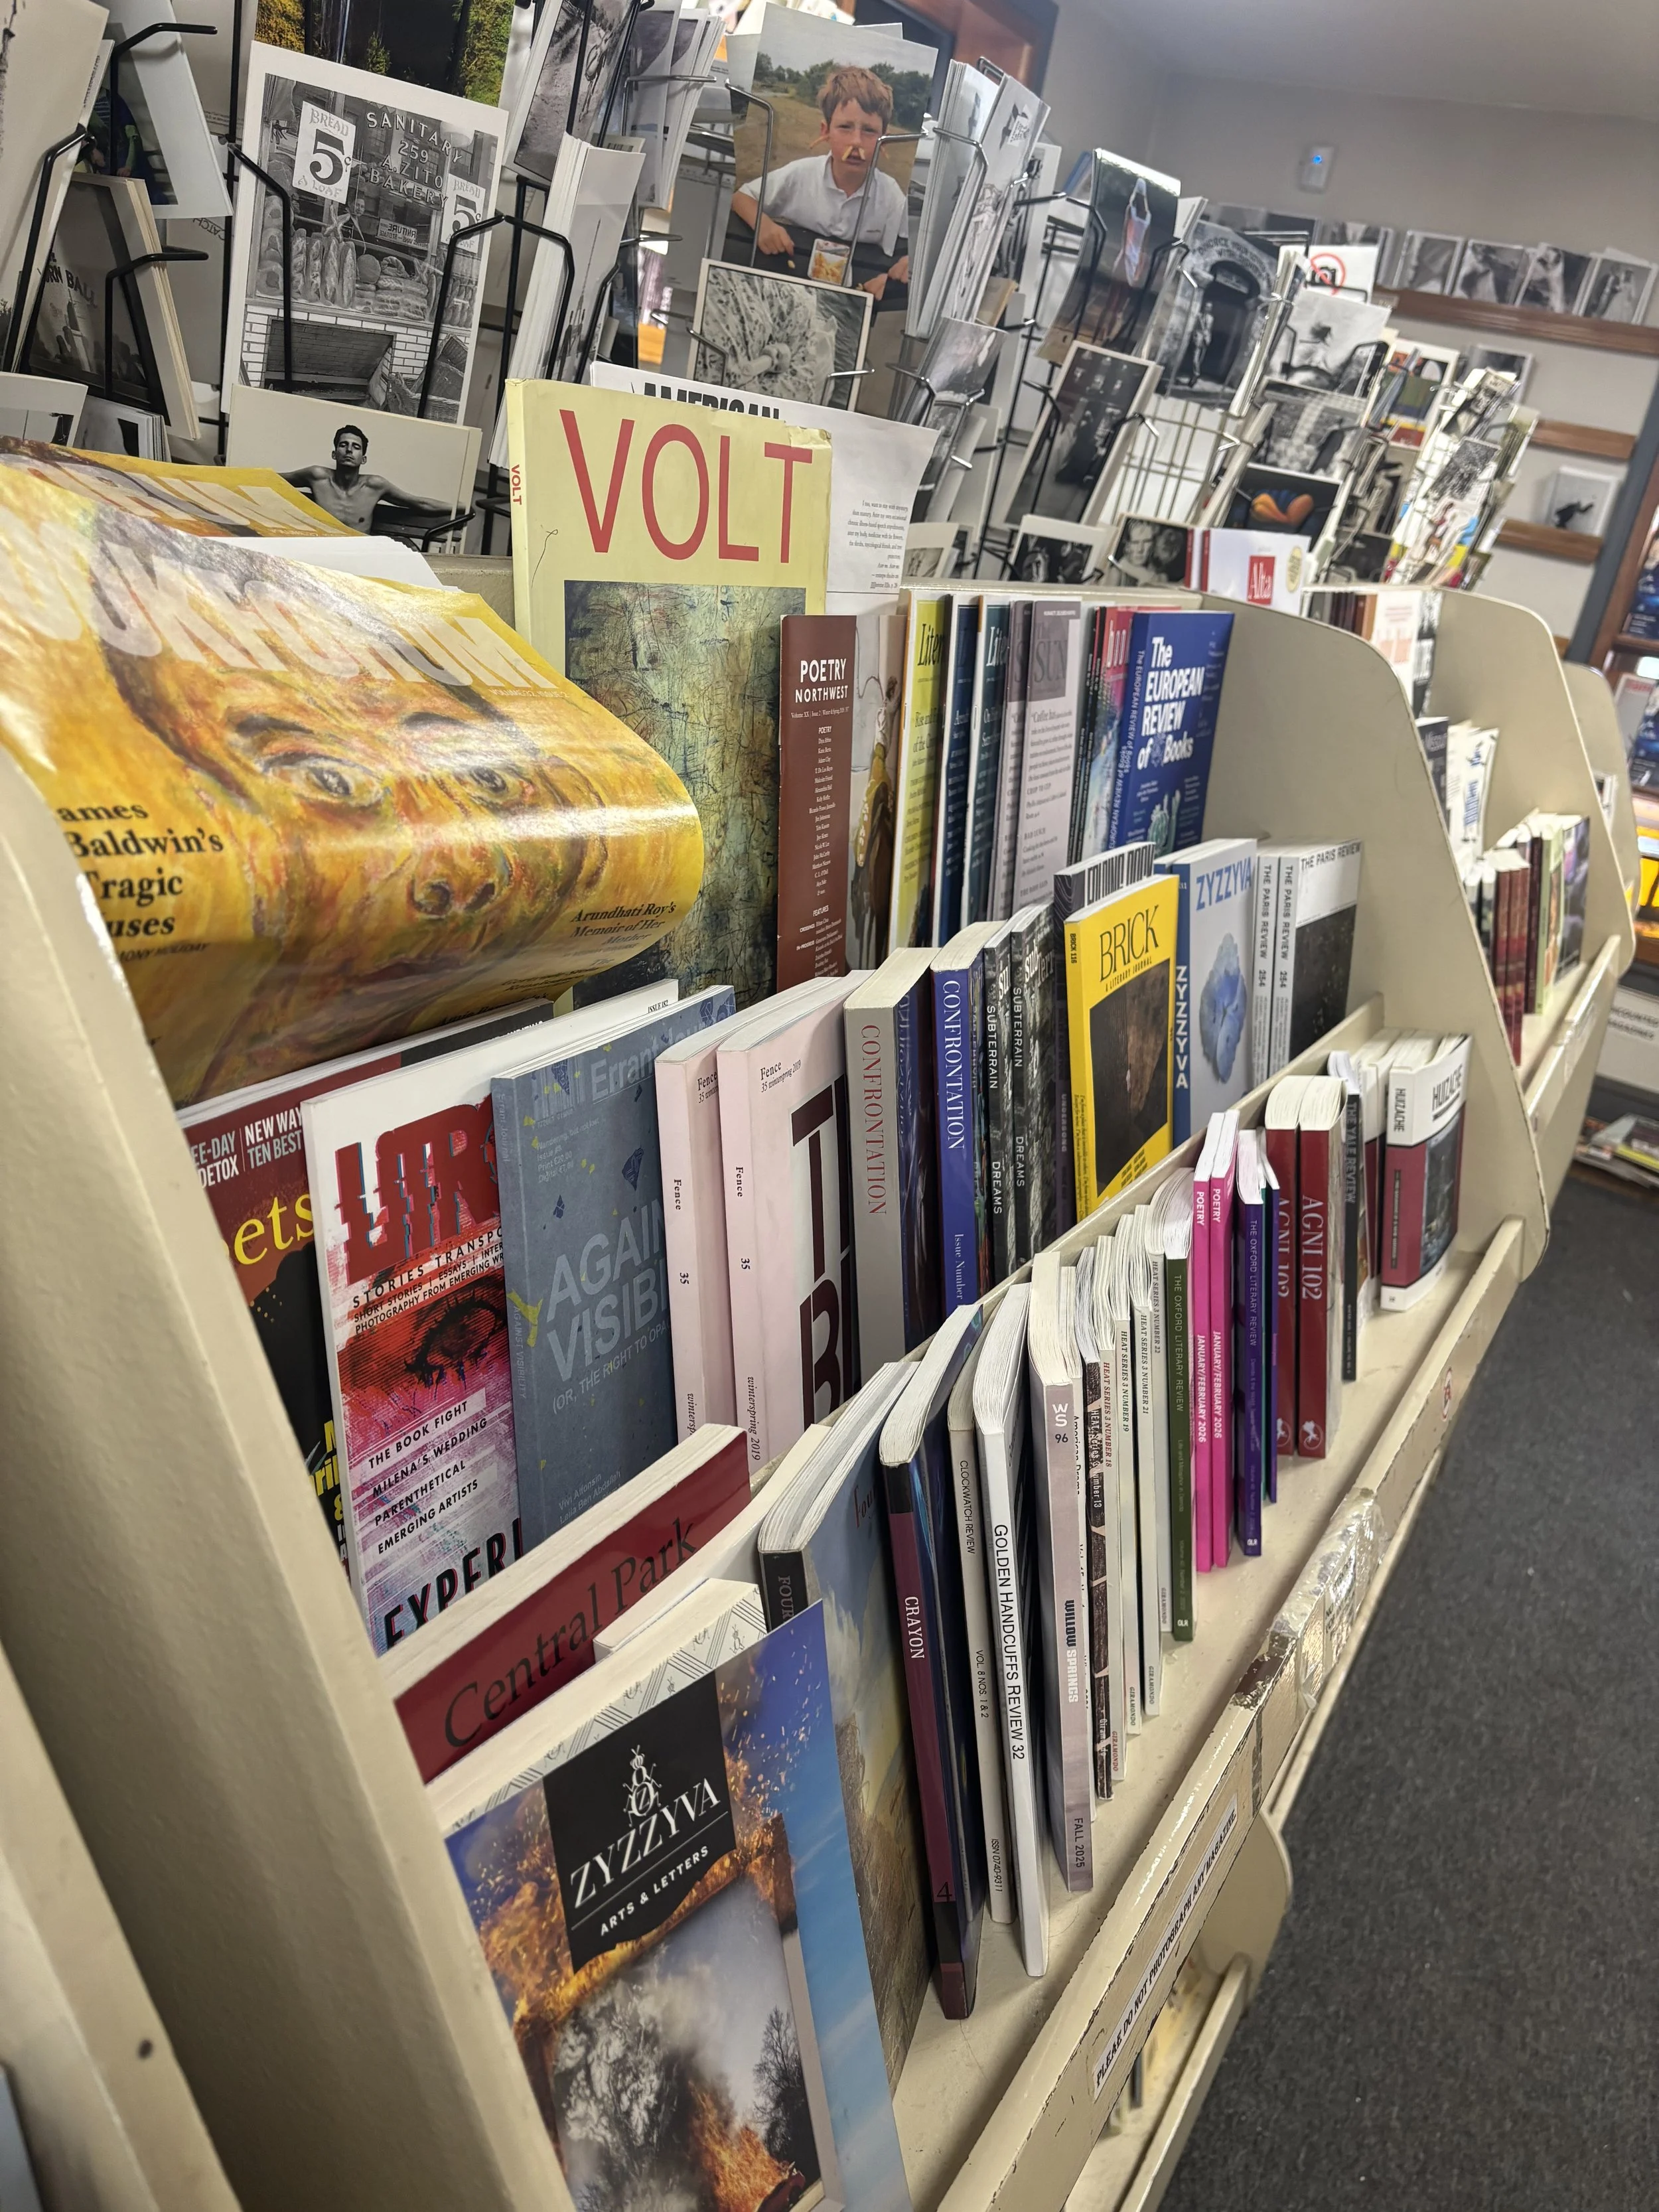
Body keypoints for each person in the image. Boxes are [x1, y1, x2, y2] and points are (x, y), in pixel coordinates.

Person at [730, 66, 910, 304]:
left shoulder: (892, 197)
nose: (856, 142)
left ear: (884, 140)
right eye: (845, 127)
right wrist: (764, 225)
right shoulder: (801, 174)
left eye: (869, 131)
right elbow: (741, 198)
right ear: (825, 131)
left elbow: (915, 253)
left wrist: (897, 272)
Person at [281, 423, 458, 534]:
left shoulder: (375, 485)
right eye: (344, 445)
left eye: (356, 447)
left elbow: (419, 503)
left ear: (363, 459)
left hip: (360, 555)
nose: (349, 450)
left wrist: (461, 508)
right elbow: (275, 479)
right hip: (322, 551)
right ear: (335, 454)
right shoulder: (317, 476)